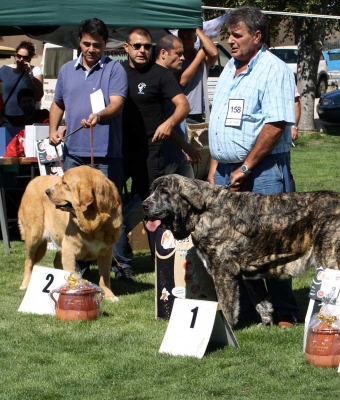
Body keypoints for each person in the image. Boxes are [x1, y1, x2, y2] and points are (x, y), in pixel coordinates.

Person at [207, 6, 298, 327]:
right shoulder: (230, 67)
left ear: (257, 37)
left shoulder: (274, 70)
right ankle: (246, 309)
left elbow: (275, 125)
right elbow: (222, 124)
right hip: (225, 170)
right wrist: (215, 169)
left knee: (273, 240)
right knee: (232, 242)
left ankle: (285, 310)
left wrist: (245, 168)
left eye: (237, 35)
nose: (230, 41)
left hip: (262, 171)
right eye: (228, 35)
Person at [115, 28, 191, 281]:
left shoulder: (161, 75)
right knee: (113, 206)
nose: (142, 51)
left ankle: (163, 263)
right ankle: (121, 264)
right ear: (126, 48)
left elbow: (183, 105)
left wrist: (168, 124)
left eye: (146, 47)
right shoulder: (116, 72)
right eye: (137, 46)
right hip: (119, 150)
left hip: (151, 151)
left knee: (155, 209)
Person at [49, 17, 128, 192]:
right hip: (73, 153)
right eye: (86, 44)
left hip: (106, 155)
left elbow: (117, 104)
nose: (91, 49)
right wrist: (53, 131)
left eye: (97, 45)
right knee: (73, 206)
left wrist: (99, 115)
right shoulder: (66, 70)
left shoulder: (115, 69)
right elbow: (58, 103)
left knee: (105, 209)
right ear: (79, 42)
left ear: (105, 44)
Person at [155, 33, 203, 178]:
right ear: (163, 53)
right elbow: (161, 121)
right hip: (164, 156)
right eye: (178, 54)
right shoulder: (155, 79)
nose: (182, 58)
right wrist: (185, 146)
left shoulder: (170, 76)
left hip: (179, 155)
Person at [177, 27, 218, 123]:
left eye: (189, 38)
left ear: (195, 39)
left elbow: (214, 52)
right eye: (183, 38)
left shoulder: (203, 57)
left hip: (196, 113)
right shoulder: (176, 57)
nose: (186, 41)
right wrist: (199, 57)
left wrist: (197, 30)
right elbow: (183, 81)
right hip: (179, 111)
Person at [0, 41, 43, 126]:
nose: (21, 59)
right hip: (7, 116)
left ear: (29, 59)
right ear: (15, 56)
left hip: (27, 116)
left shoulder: (35, 71)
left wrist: (28, 76)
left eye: (25, 57)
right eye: (19, 56)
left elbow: (38, 96)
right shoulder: (5, 70)